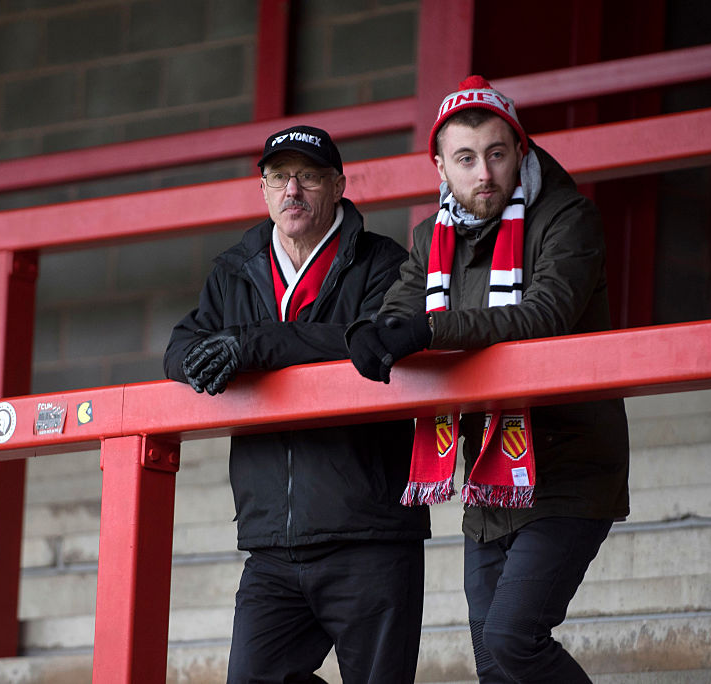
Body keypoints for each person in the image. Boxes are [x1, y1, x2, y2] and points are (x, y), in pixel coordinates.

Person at [347, 76, 630, 683]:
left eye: (497, 154)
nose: (484, 174)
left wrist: (428, 332)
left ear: (520, 151)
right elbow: (398, 308)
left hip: (570, 463)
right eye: (466, 159)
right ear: (441, 168)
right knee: (493, 665)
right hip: (487, 474)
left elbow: (545, 315)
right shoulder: (431, 238)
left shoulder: (567, 218)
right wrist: (368, 334)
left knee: (513, 640)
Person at [164, 124, 431, 684]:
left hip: (370, 532)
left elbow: (363, 341)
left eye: (307, 177)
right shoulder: (235, 268)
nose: (292, 190)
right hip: (272, 544)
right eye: (279, 177)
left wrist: (252, 344)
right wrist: (197, 362)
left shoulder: (383, 263)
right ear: (263, 190)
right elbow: (182, 346)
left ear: (337, 186)